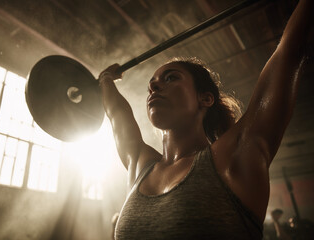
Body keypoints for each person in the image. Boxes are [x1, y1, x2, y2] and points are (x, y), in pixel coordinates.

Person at [98, 0, 313, 239]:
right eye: (152, 86)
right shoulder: (140, 167)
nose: (155, 86)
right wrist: (106, 79)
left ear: (206, 99)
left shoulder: (235, 156)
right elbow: (117, 114)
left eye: (170, 78)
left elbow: (289, 52)